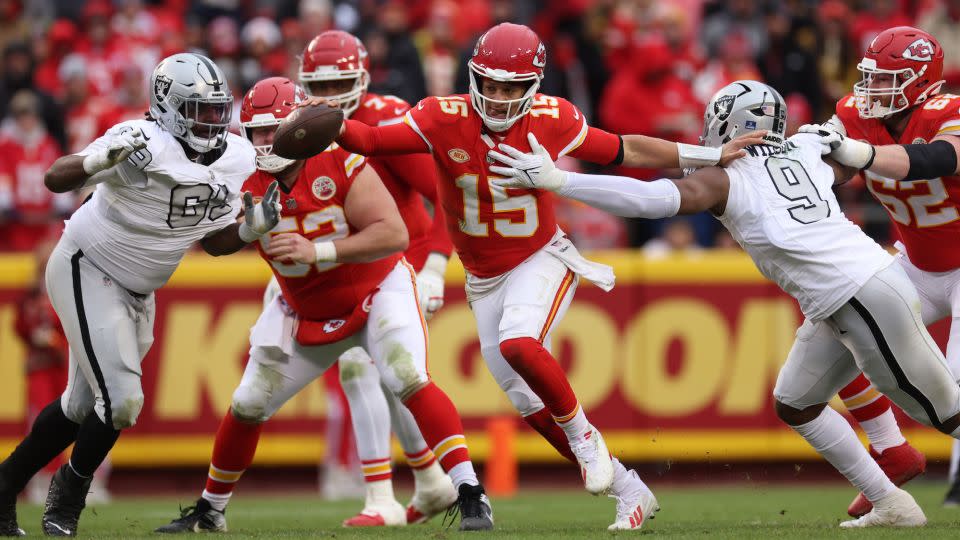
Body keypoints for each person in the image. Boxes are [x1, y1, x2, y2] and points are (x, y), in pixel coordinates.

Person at [303, 22, 763, 530]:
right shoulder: (441, 116)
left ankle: (588, 441)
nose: (499, 98)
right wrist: (324, 123)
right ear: (475, 77)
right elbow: (367, 138)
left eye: (512, 88)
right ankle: (630, 489)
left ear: (534, 86)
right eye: (491, 85)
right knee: (529, 405)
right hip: (482, 278)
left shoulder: (552, 117)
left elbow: (624, 149)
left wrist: (709, 154)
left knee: (521, 343)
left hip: (540, 256)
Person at [489, 79, 960, 529]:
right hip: (846, 294)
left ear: (734, 125)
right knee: (796, 402)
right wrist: (835, 139)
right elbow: (846, 159)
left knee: (944, 413)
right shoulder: (807, 145)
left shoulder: (727, 179)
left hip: (861, 293)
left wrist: (561, 182)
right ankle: (890, 501)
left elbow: (652, 200)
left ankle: (894, 463)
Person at [154, 77, 493, 534]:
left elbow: (392, 233)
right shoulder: (239, 176)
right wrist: (244, 233)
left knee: (406, 376)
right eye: (255, 131)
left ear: (300, 128)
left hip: (376, 291)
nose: (263, 142)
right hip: (304, 308)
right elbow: (212, 245)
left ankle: (470, 493)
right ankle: (210, 510)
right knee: (248, 402)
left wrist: (322, 251)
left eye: (274, 130)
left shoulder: (341, 159)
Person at [0, 52, 277, 537]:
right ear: (169, 106)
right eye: (201, 111)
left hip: (137, 289)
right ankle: (66, 500)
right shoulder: (141, 140)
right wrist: (94, 160)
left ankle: (2, 491)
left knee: (78, 407)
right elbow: (54, 178)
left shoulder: (235, 157)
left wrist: (248, 233)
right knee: (122, 402)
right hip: (87, 266)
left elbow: (212, 242)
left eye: (218, 110)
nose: (213, 121)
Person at [298, 30, 457, 526]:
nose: (327, 98)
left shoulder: (384, 119)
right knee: (390, 379)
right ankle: (431, 481)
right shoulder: (297, 126)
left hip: (397, 266)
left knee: (366, 371)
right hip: (345, 265)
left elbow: (451, 194)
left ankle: (381, 497)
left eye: (339, 84)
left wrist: (434, 266)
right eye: (318, 88)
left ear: (362, 78)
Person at [802, 25, 959, 511]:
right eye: (870, 77)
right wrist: (808, 159)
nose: (871, 90)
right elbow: (839, 169)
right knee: (833, 328)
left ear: (922, 83)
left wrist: (859, 152)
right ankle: (892, 451)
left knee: (954, 386)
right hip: (915, 261)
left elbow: (940, 157)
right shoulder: (857, 114)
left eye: (887, 80)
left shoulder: (948, 111)